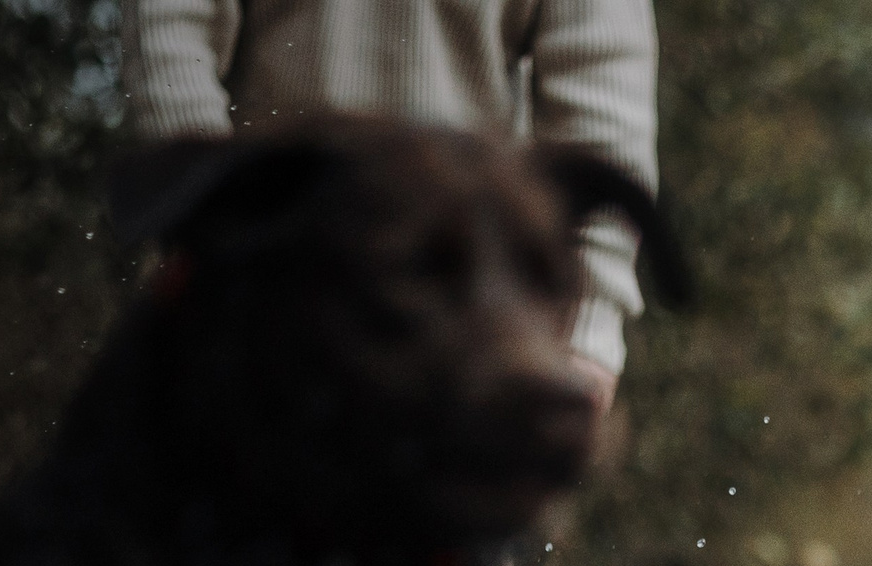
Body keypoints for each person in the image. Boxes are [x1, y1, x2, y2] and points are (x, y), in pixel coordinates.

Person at [121, 0, 659, 412]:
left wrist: (588, 327)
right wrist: (204, 219)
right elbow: (169, 34)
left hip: (466, 326)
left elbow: (603, 95)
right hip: (260, 293)